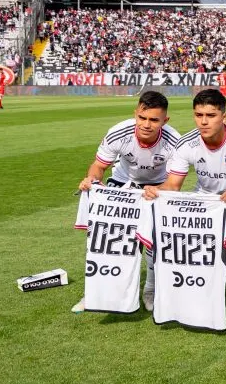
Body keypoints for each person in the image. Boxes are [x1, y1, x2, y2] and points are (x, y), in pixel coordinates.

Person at [143, 89, 226, 313]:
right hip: (206, 202)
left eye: (210, 115)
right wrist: (155, 189)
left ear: (223, 116)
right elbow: (173, 185)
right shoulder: (186, 143)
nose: (203, 121)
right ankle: (193, 287)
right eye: (198, 115)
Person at [71, 91, 180, 313]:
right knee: (107, 240)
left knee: (153, 242)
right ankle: (94, 293)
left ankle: (150, 291)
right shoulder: (118, 133)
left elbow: (173, 183)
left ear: (165, 121)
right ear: (135, 114)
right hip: (122, 185)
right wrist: (91, 180)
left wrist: (156, 191)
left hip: (156, 188)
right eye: (142, 118)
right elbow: (99, 166)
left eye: (154, 120)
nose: (146, 124)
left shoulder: (175, 142)